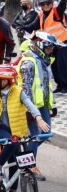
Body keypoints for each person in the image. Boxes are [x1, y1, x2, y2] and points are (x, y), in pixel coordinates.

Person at [16, 31, 65, 180]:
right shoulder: (29, 62)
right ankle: (30, 166)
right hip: (31, 106)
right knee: (36, 136)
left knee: (45, 133)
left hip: (42, 104)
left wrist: (53, 105)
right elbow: (26, 89)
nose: (51, 51)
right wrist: (32, 111)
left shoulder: (43, 61)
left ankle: (25, 159)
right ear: (41, 46)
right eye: (49, 48)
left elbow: (45, 85)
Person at [36, 0, 67, 94]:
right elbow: (35, 25)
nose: (45, 6)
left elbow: (61, 7)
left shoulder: (56, 11)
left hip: (63, 42)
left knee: (62, 65)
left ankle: (65, 86)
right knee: (54, 65)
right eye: (43, 4)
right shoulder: (41, 15)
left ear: (51, 3)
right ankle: (59, 85)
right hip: (52, 45)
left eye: (48, 3)